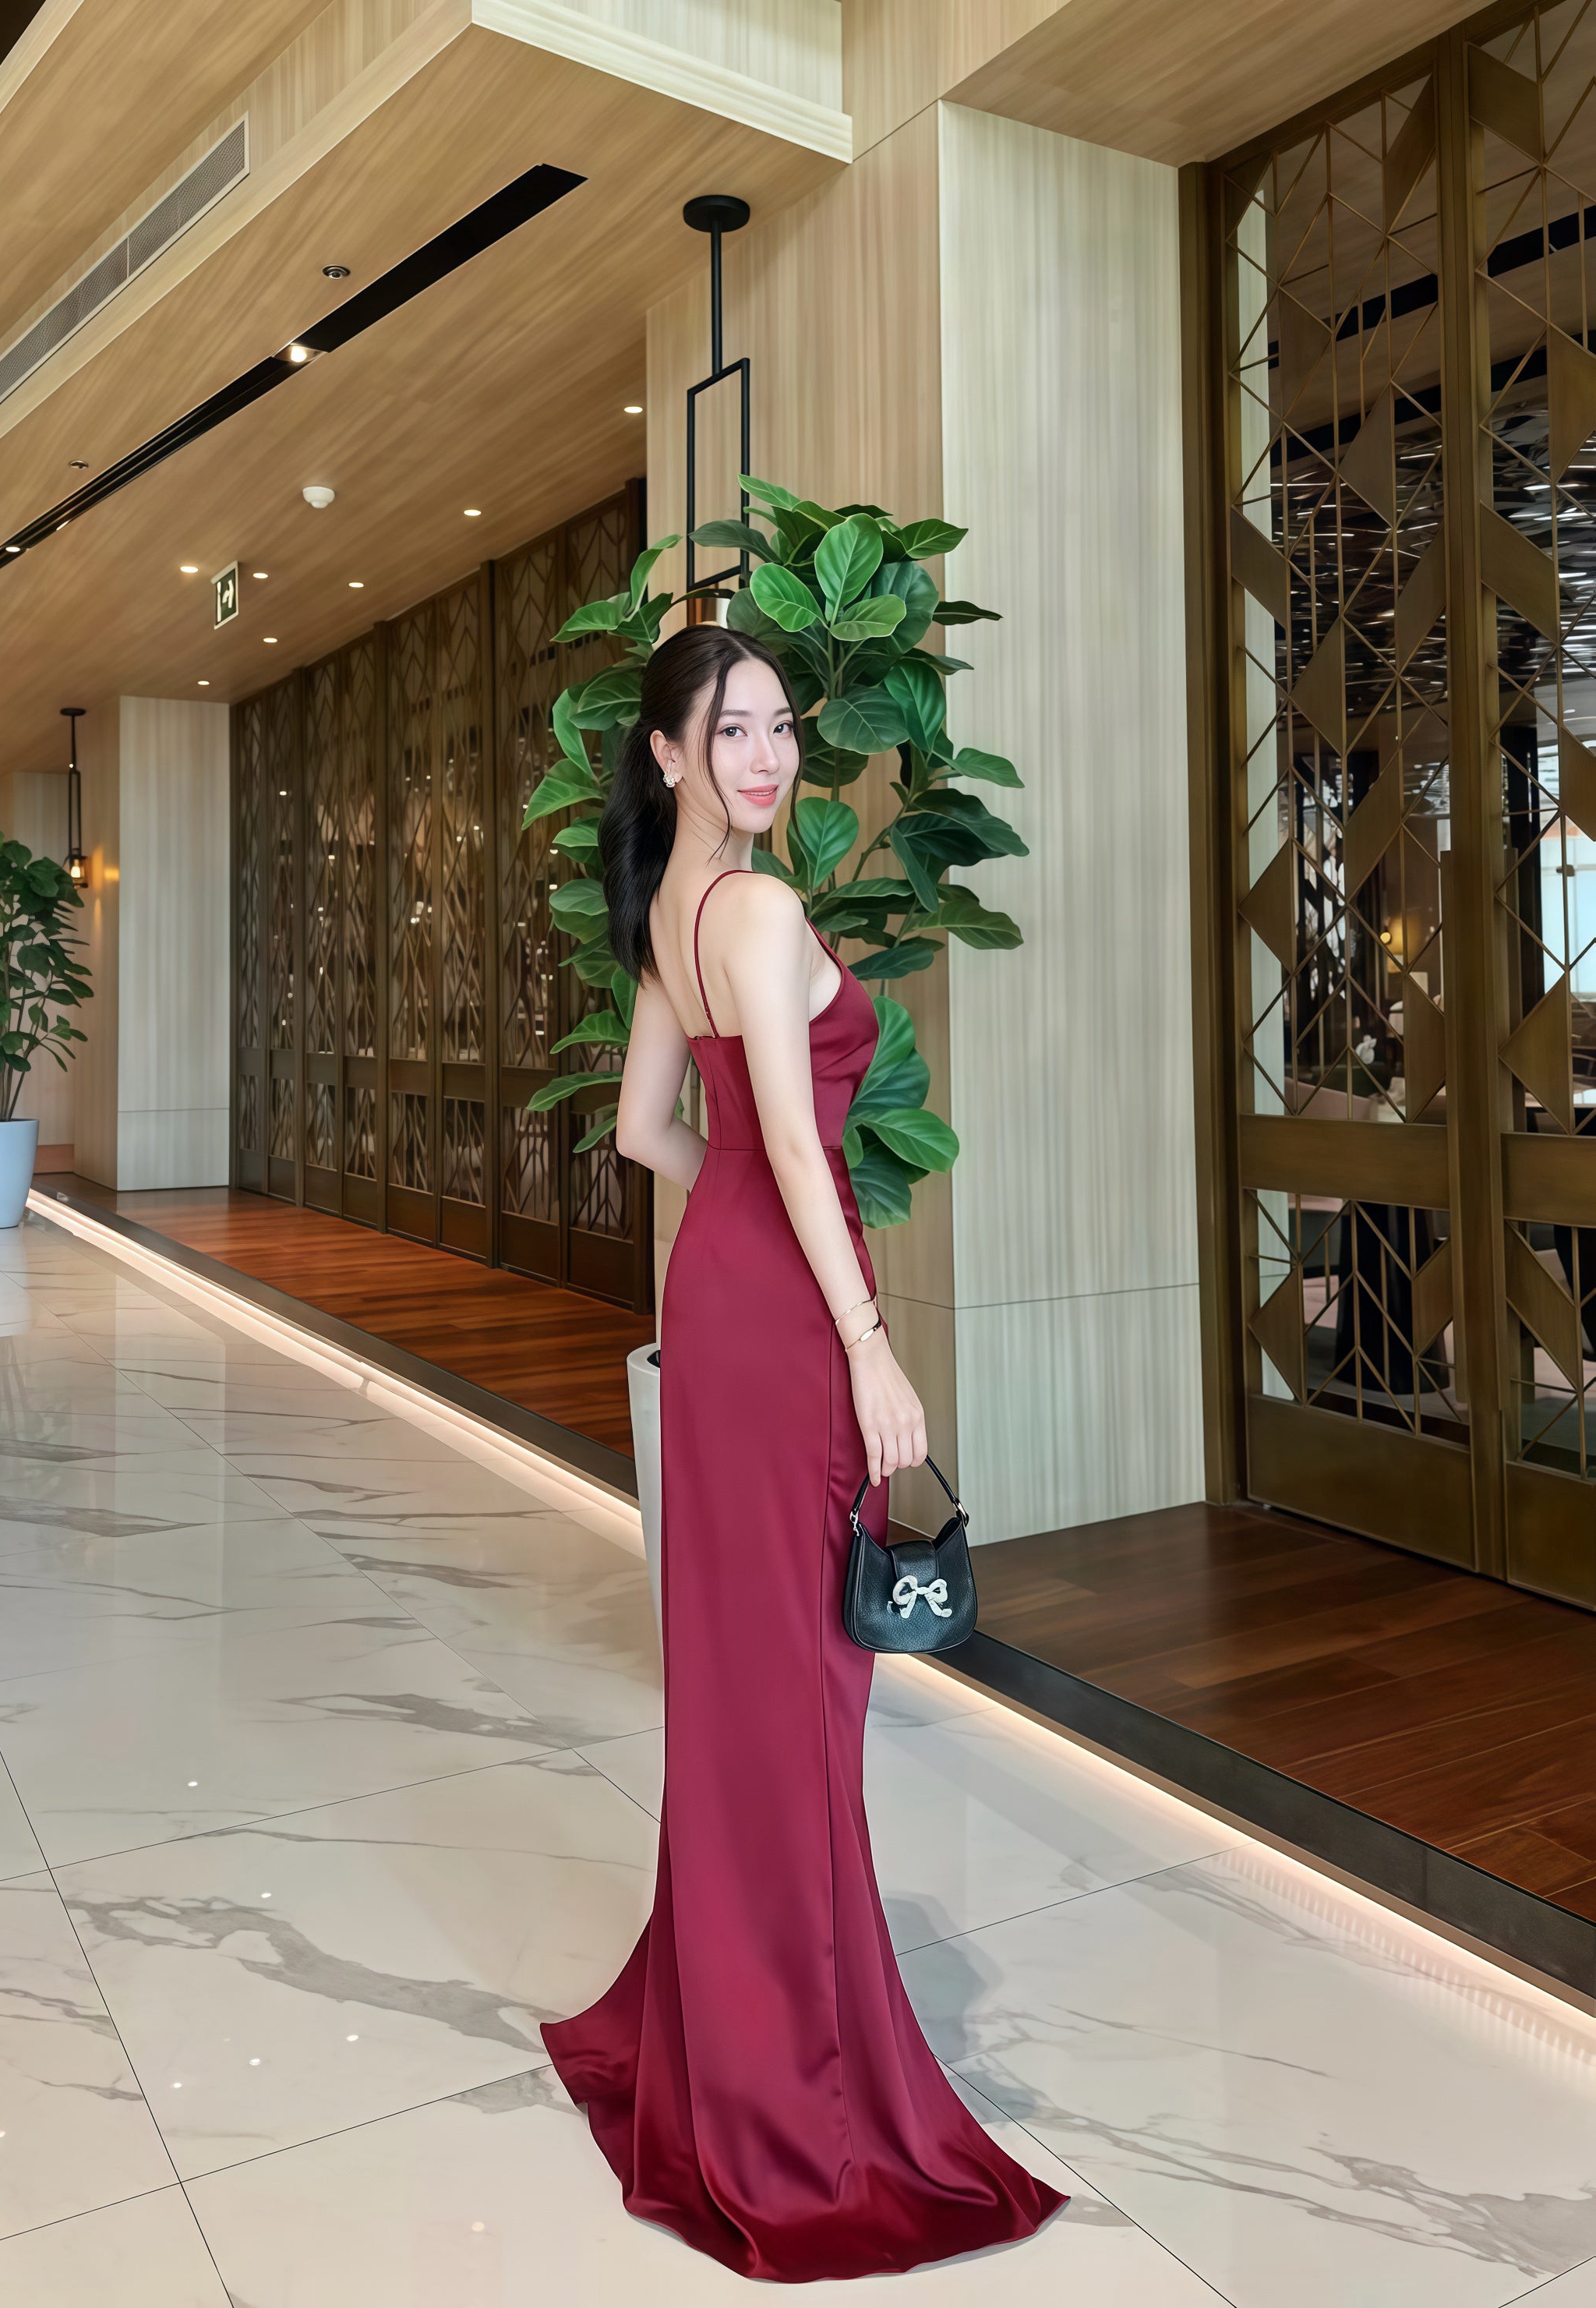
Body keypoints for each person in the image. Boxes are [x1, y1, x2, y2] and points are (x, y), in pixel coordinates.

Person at [540, 621, 1065, 2281]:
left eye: (779, 725)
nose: (768, 756)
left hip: (719, 1308)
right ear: (667, 753)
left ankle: (739, 2026)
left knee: (744, 1678)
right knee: (801, 1691)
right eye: (732, 730)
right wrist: (863, 1338)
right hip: (787, 1330)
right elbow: (779, 1130)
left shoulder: (669, 915)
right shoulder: (757, 913)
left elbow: (651, 1130)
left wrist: (748, 1227)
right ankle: (790, 2094)